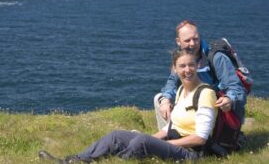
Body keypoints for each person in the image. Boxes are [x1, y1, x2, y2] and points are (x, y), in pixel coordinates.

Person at [39, 49, 218, 163]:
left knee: (141, 141)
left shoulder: (205, 93)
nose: (187, 70)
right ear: (175, 69)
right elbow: (171, 127)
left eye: (191, 65)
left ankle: (117, 160)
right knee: (117, 136)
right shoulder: (181, 91)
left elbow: (200, 138)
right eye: (182, 66)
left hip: (191, 153)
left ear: (198, 65)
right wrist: (153, 139)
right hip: (173, 142)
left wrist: (163, 144)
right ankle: (74, 161)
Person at [154, 20, 246, 130]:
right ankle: (168, 135)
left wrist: (229, 99)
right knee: (159, 98)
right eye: (187, 40)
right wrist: (165, 100)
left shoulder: (216, 58)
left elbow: (237, 88)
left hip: (214, 105)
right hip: (193, 101)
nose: (192, 43)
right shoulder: (180, 58)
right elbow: (172, 82)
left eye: (195, 39)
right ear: (178, 41)